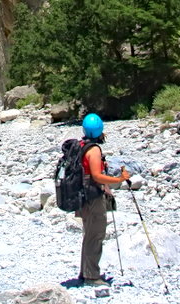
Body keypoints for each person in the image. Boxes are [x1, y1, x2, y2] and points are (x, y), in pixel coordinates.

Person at [77, 113, 130, 286]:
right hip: (93, 197)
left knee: (89, 234)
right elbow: (97, 176)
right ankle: (92, 276)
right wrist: (119, 180)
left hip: (83, 197)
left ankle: (85, 272)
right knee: (96, 235)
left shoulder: (82, 146)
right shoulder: (94, 150)